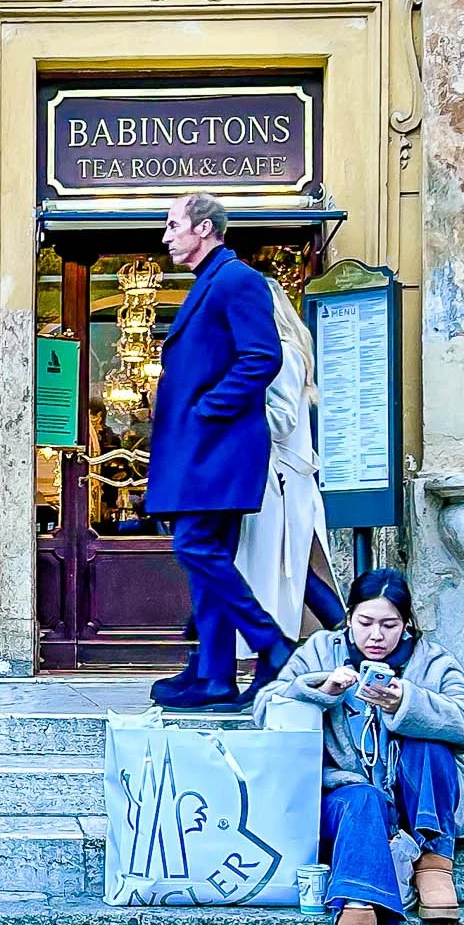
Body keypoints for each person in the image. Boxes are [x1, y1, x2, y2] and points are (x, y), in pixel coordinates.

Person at [258, 568, 464, 925]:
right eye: (365, 622)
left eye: (389, 625)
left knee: (429, 741)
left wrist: (406, 704)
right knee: (363, 798)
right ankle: (357, 919)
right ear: (349, 618)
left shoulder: (432, 661)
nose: (376, 636)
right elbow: (266, 707)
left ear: (406, 624)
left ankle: (434, 863)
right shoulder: (321, 650)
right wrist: (320, 688)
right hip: (347, 797)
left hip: (419, 799)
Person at [145, 194, 296, 709]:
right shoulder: (210, 283)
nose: (165, 236)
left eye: (172, 226)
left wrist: (209, 408)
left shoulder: (237, 280)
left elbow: (262, 357)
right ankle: (214, 677)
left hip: (218, 452)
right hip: (204, 454)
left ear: (204, 228)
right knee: (206, 559)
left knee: (194, 548)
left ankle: (271, 643)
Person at [235, 279, 344, 643]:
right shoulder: (282, 352)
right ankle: (349, 638)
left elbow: (281, 420)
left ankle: (350, 638)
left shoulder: (280, 354)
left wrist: (233, 407)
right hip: (279, 478)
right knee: (293, 572)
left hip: (277, 479)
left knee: (285, 571)